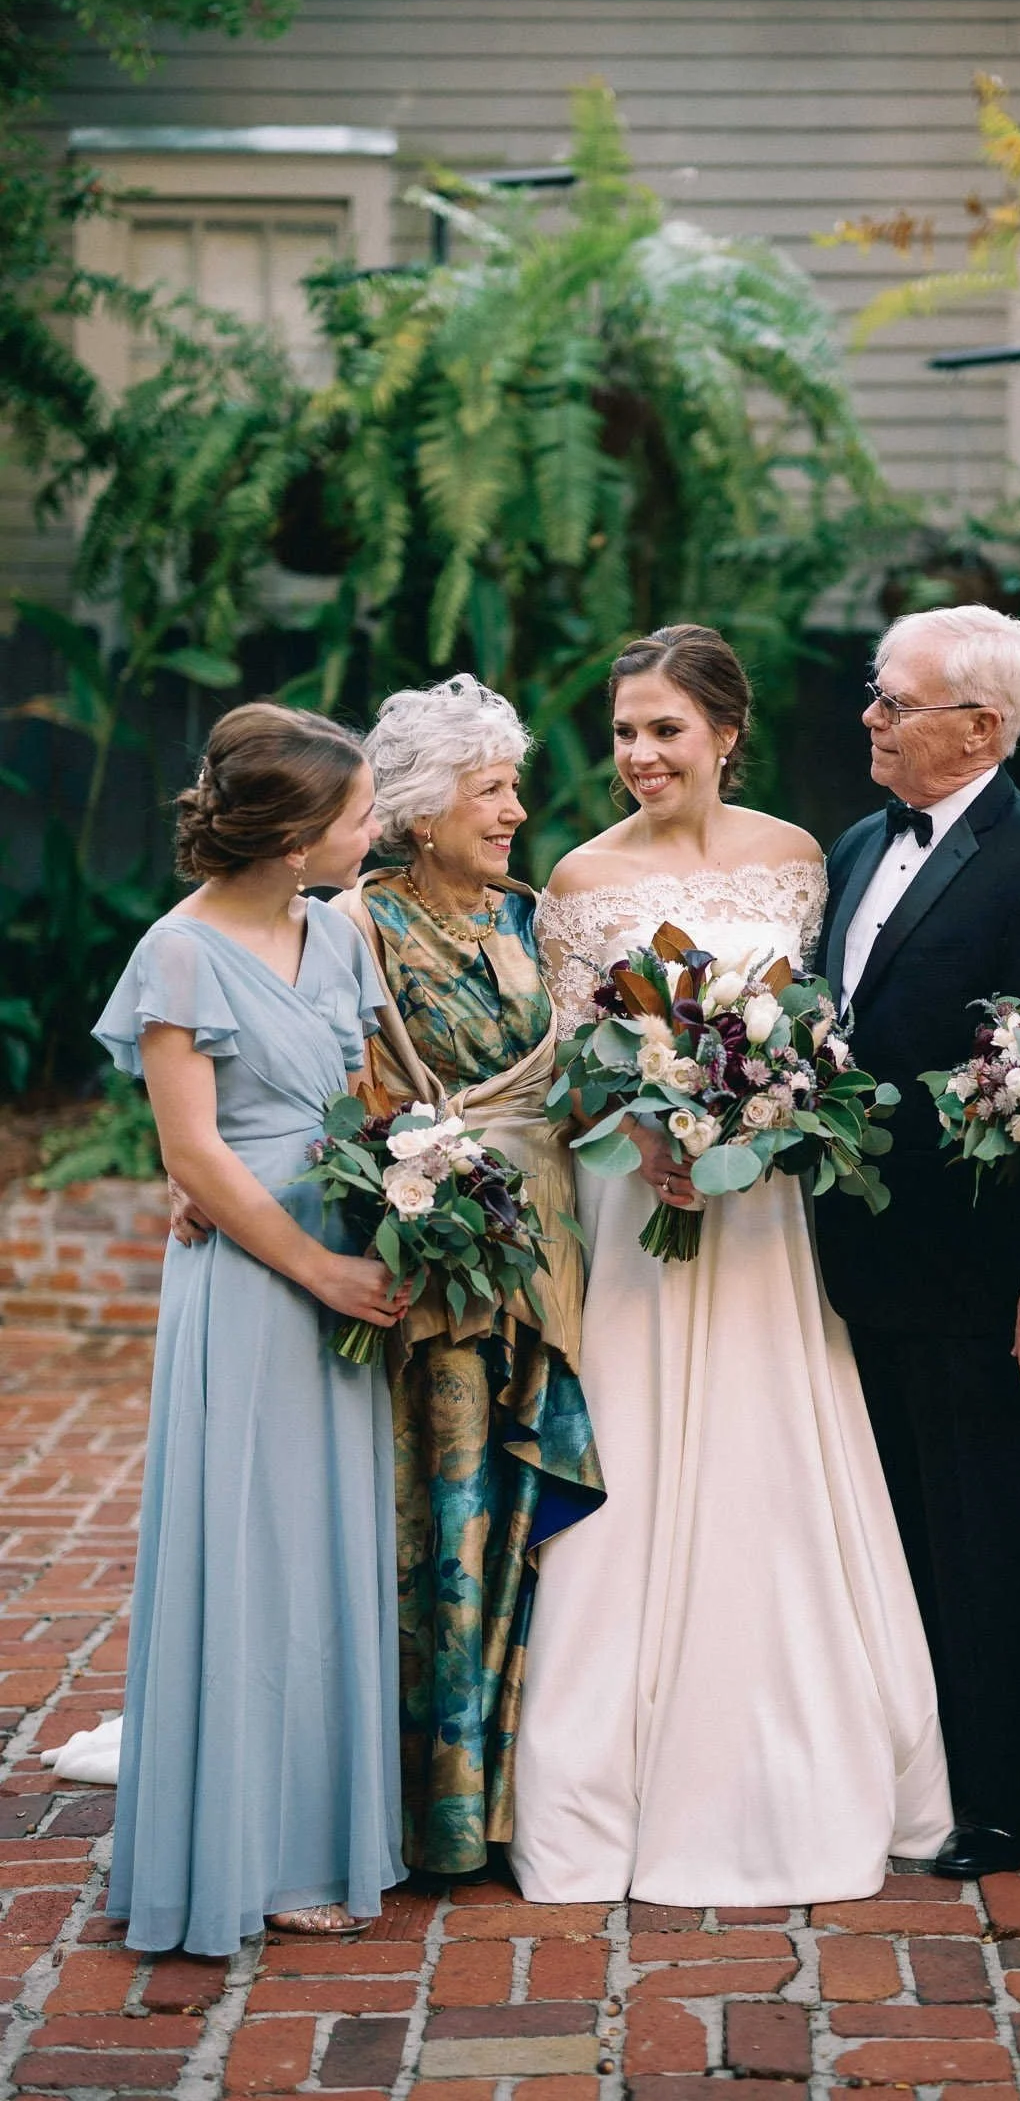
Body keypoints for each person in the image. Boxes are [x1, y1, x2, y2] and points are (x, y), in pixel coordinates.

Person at [509, 623, 952, 1906]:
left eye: (667, 728)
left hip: (764, 1217)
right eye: (626, 730)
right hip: (635, 1211)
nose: (641, 753)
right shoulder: (579, 880)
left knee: (775, 1457)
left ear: (725, 733)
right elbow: (568, 1071)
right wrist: (634, 1128)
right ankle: (607, 1777)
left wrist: (762, 1114)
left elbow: (811, 1036)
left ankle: (801, 1753)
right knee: (639, 1462)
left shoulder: (798, 862)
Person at [92, 704, 410, 1954]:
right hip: (258, 1275)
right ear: (291, 838)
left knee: (328, 1540)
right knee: (253, 1547)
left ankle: (317, 1823)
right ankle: (249, 1846)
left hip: (343, 1237)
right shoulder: (177, 954)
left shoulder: (336, 932)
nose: (374, 830)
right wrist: (322, 1273)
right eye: (361, 815)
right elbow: (194, 1151)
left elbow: (374, 1092)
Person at [814, 605, 1020, 1881]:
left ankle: (1002, 1796)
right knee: (889, 1530)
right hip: (850, 1262)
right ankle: (911, 1770)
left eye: (894, 701)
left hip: (980, 1273)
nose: (869, 718)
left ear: (982, 726)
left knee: (983, 1531)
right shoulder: (853, 843)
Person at [333, 675, 604, 1875]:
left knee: (533, 1524)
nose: (513, 810)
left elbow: (584, 1078)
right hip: (440, 1262)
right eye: (490, 789)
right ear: (421, 807)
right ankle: (435, 1808)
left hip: (554, 1248)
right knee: (446, 1515)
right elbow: (333, 1094)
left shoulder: (532, 918)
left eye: (511, 785)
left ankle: (520, 1789)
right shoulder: (358, 927)